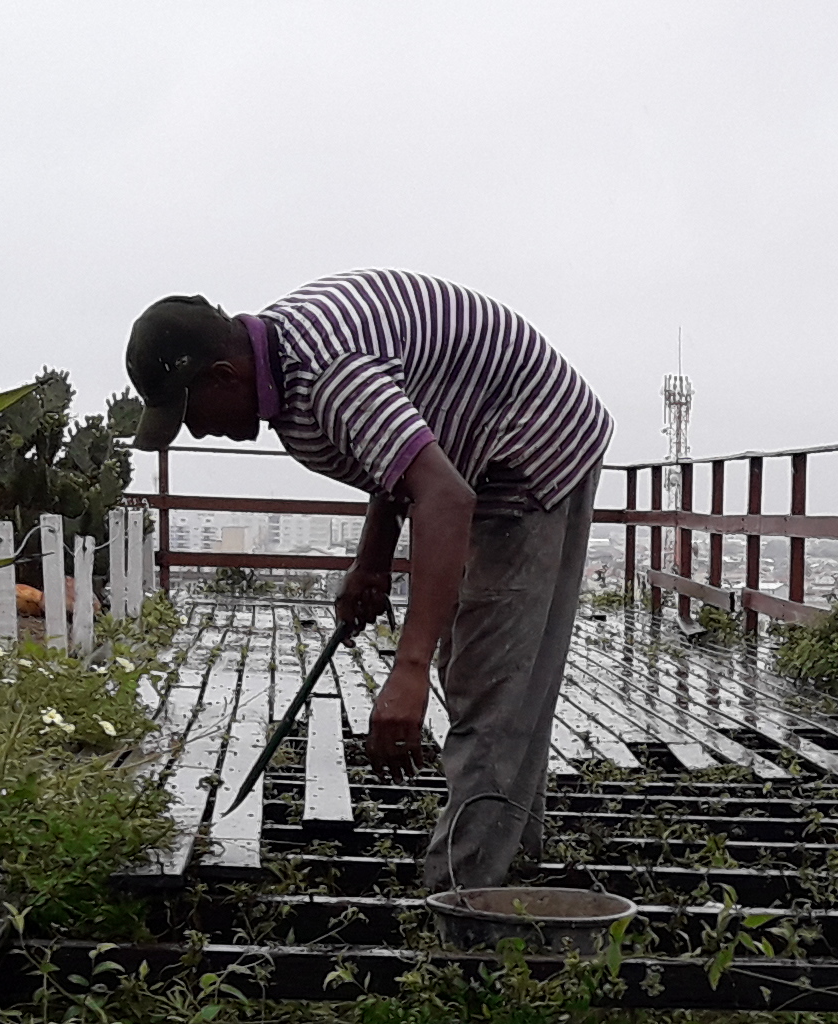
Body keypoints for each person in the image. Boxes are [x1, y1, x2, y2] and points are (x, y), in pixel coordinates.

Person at [125, 272, 613, 891]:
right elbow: (399, 460)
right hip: (473, 452)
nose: (196, 432)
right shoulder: (283, 364)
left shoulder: (331, 375)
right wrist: (372, 561)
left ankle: (463, 904)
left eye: (190, 414)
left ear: (225, 375)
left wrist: (407, 669)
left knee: (495, 677)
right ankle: (514, 859)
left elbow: (443, 497)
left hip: (535, 446)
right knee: (483, 669)